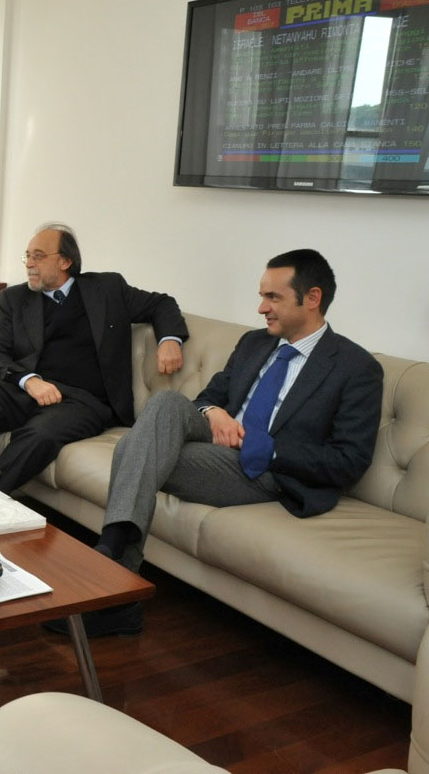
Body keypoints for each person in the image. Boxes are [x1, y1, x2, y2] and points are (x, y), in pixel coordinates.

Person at [57, 249, 382, 638]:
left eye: (273, 298)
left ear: (312, 298)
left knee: (134, 450)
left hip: (266, 471)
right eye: (262, 296)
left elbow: (349, 460)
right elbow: (206, 398)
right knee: (165, 402)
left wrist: (270, 449)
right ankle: (116, 573)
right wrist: (214, 413)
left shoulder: (356, 368)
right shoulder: (254, 343)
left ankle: (112, 572)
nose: (262, 307)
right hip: (215, 443)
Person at [0, 222, 188, 492]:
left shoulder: (107, 289)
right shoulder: (14, 298)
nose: (29, 263)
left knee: (40, 434)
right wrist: (29, 381)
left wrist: (169, 340)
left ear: (66, 261)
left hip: (84, 402)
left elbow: (161, 303)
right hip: (31, 391)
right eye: (27, 256)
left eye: (38, 256)